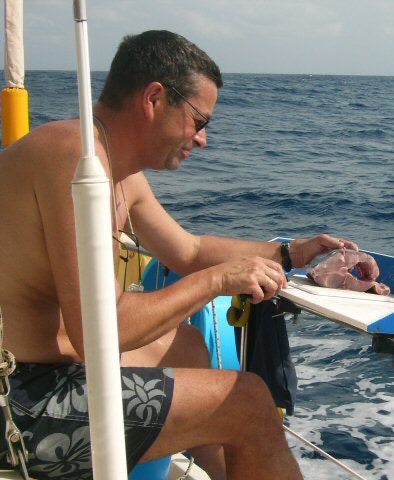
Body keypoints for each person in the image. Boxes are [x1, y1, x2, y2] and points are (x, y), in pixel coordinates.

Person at [0, 30, 360, 479]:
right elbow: (99, 332)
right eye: (198, 120)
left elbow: (189, 250)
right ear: (154, 98)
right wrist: (220, 280)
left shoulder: (112, 169)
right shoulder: (75, 159)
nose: (202, 139)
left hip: (45, 372)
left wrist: (292, 253)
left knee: (186, 346)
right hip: (18, 402)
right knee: (247, 401)